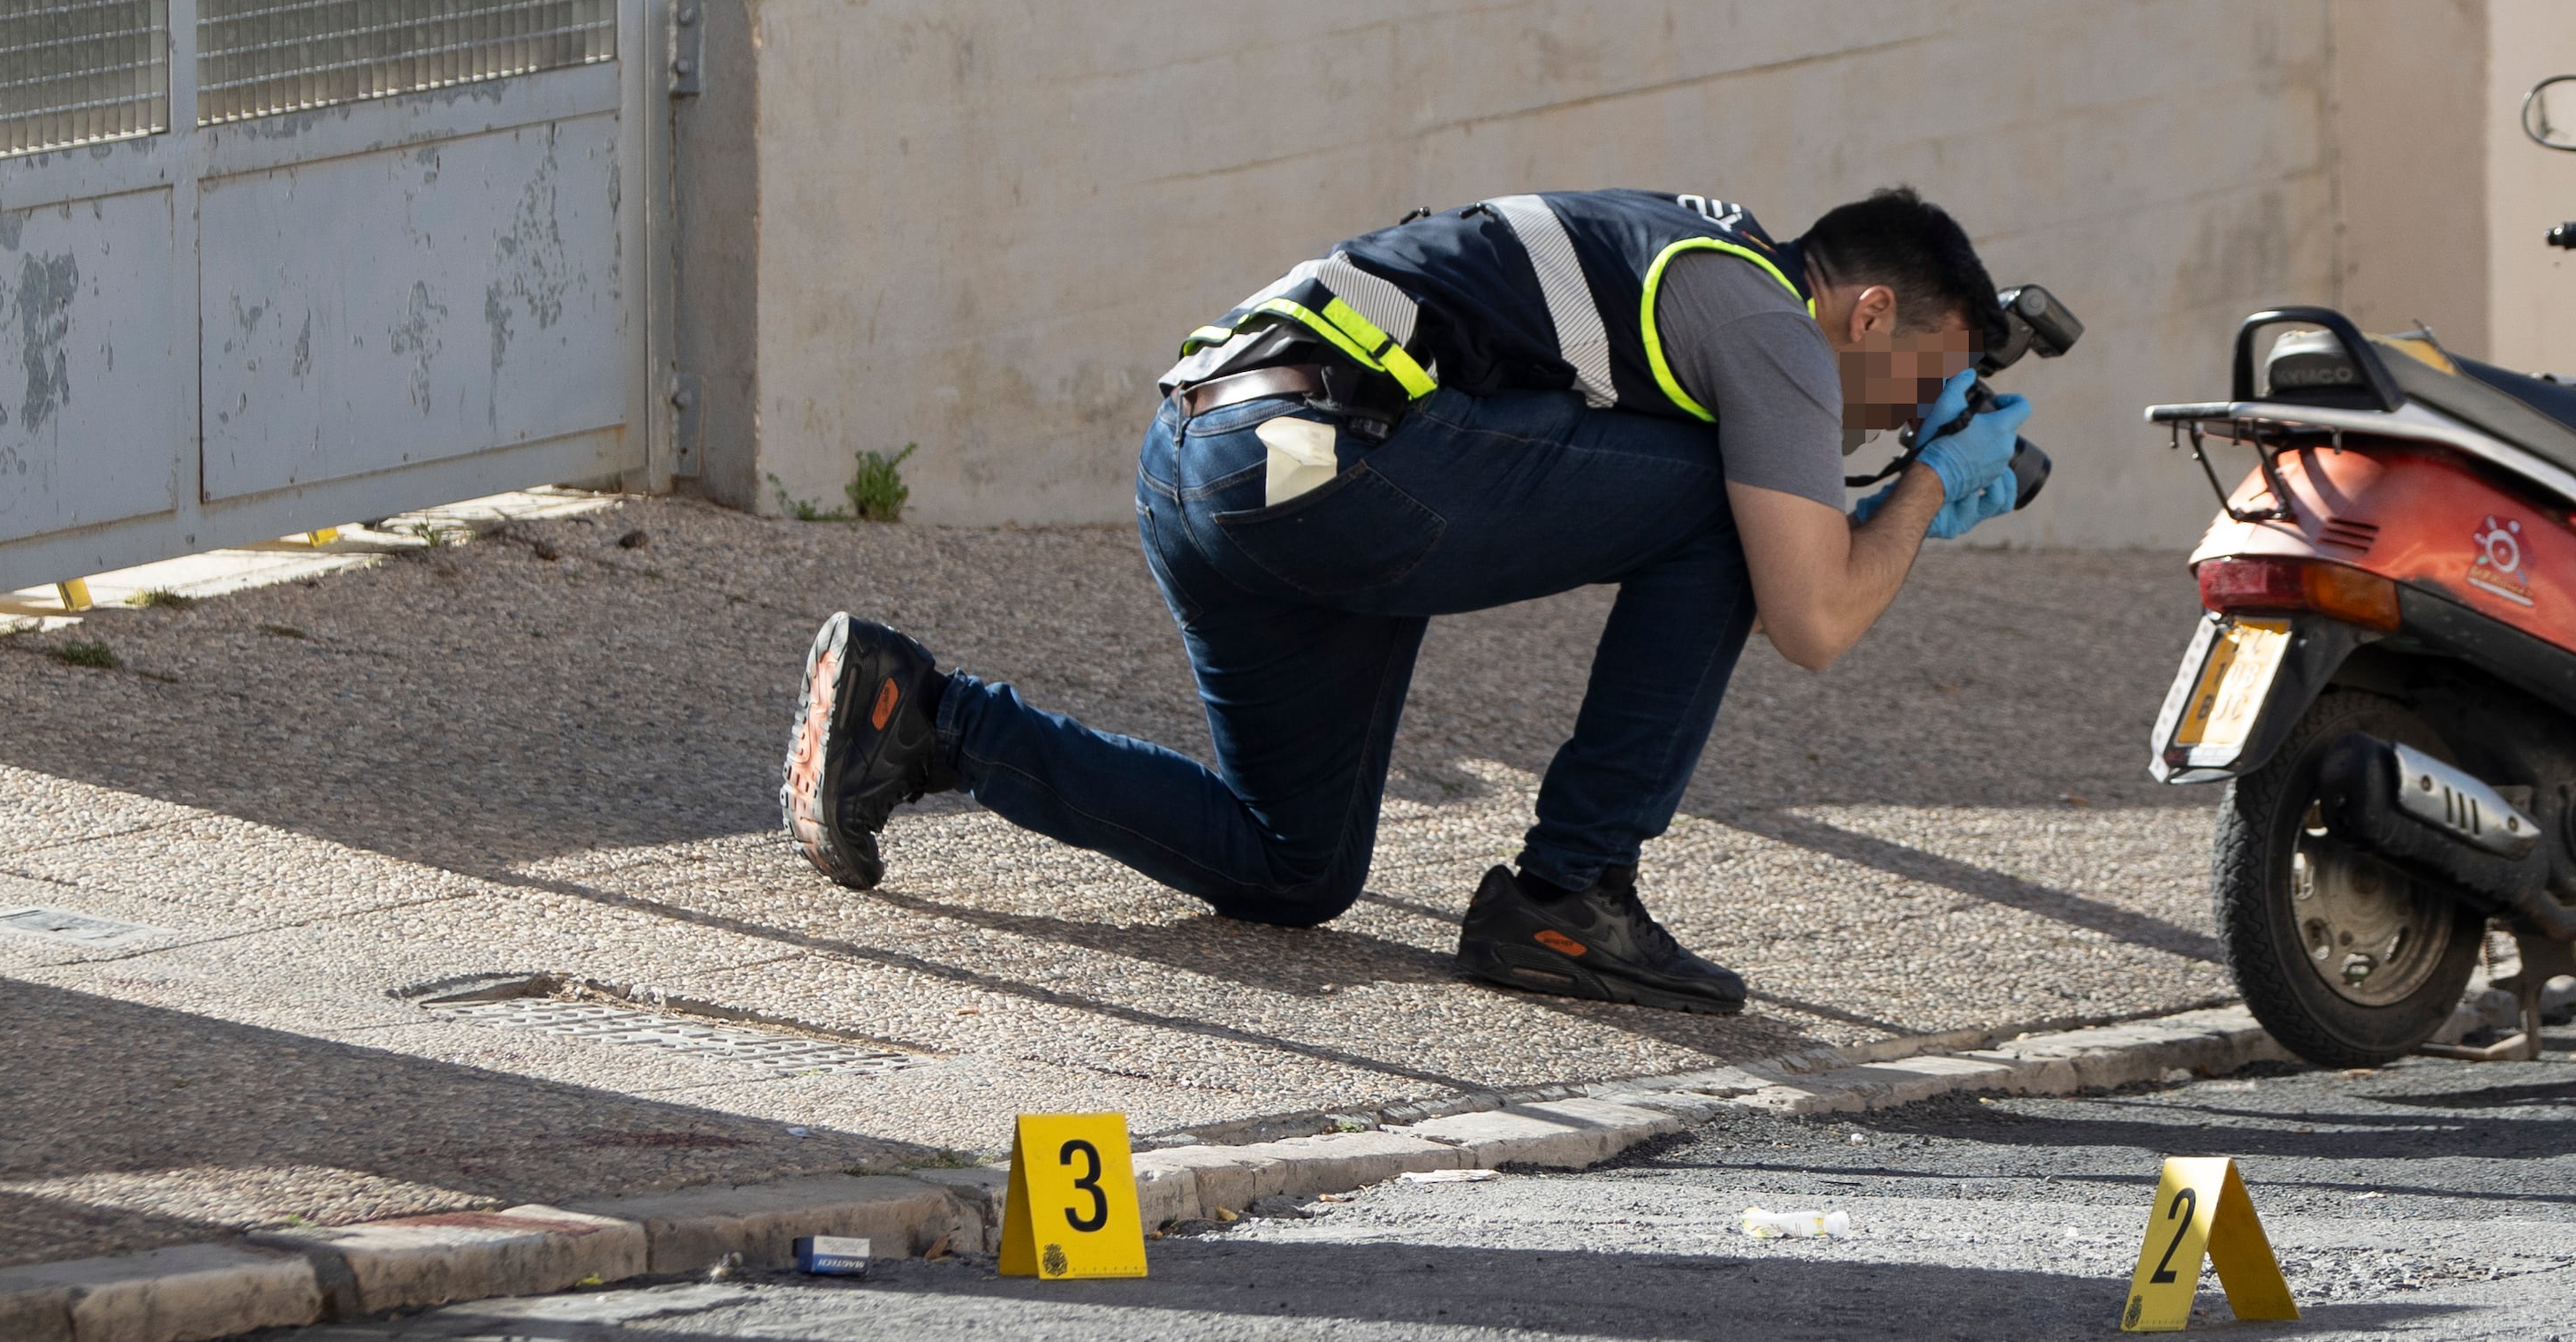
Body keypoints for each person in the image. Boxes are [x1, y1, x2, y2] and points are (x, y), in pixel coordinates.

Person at [776, 186, 2035, 1015]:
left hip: (1207, 458)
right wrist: (1930, 480)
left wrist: (1904, 479)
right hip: (1342, 462)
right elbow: (1811, 616)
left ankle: (925, 717)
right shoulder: (1772, 324)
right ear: (1867, 309)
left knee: (1295, 865)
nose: (1900, 415)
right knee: (1726, 508)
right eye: (1921, 381)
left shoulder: (1686, 255)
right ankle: (1568, 895)